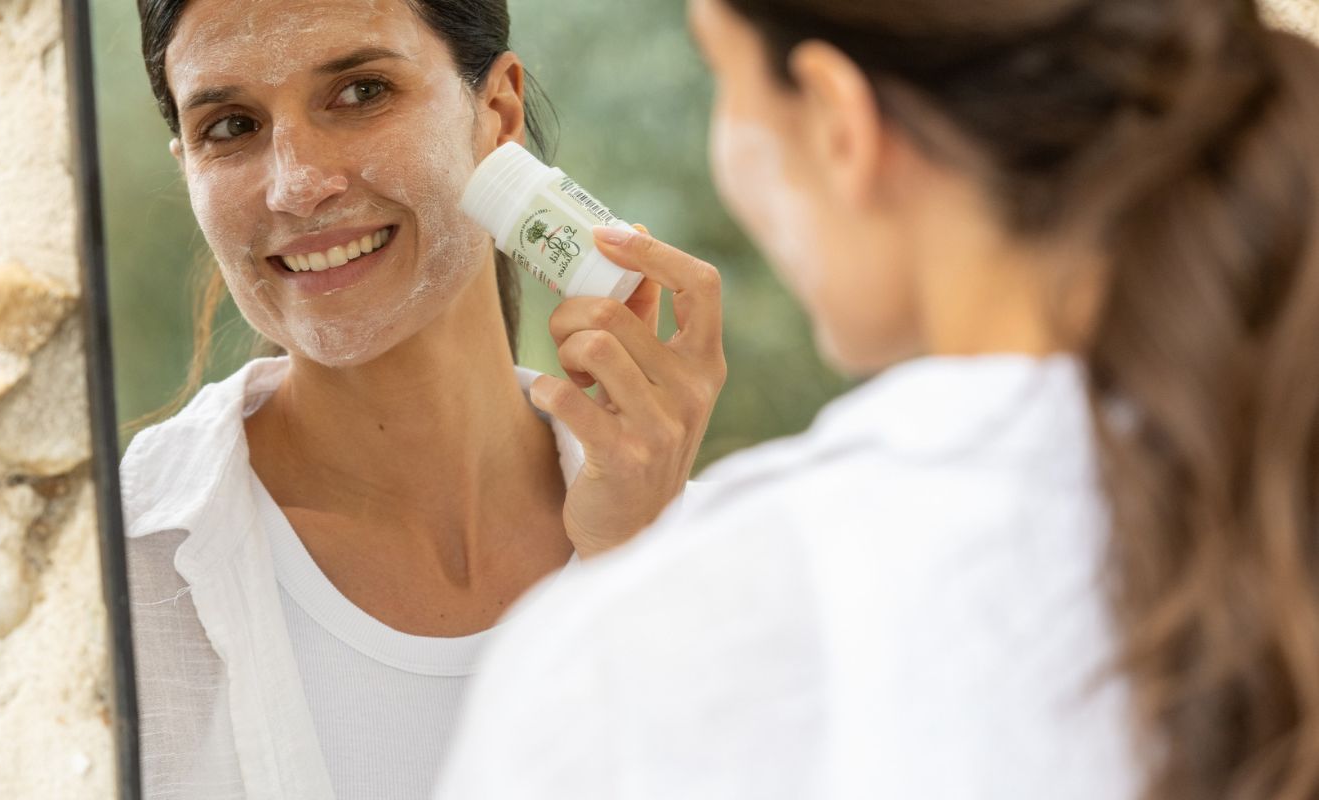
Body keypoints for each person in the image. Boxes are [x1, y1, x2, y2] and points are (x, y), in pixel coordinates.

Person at [437, 0, 1319, 797]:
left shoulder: (633, 664)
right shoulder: (1267, 463)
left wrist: (641, 596)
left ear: (835, 119)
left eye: (723, 76)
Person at [118, 0, 727, 797]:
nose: (297, 187)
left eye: (362, 91)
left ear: (497, 113)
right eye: (231, 127)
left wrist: (635, 571)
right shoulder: (107, 578)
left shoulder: (714, 566)